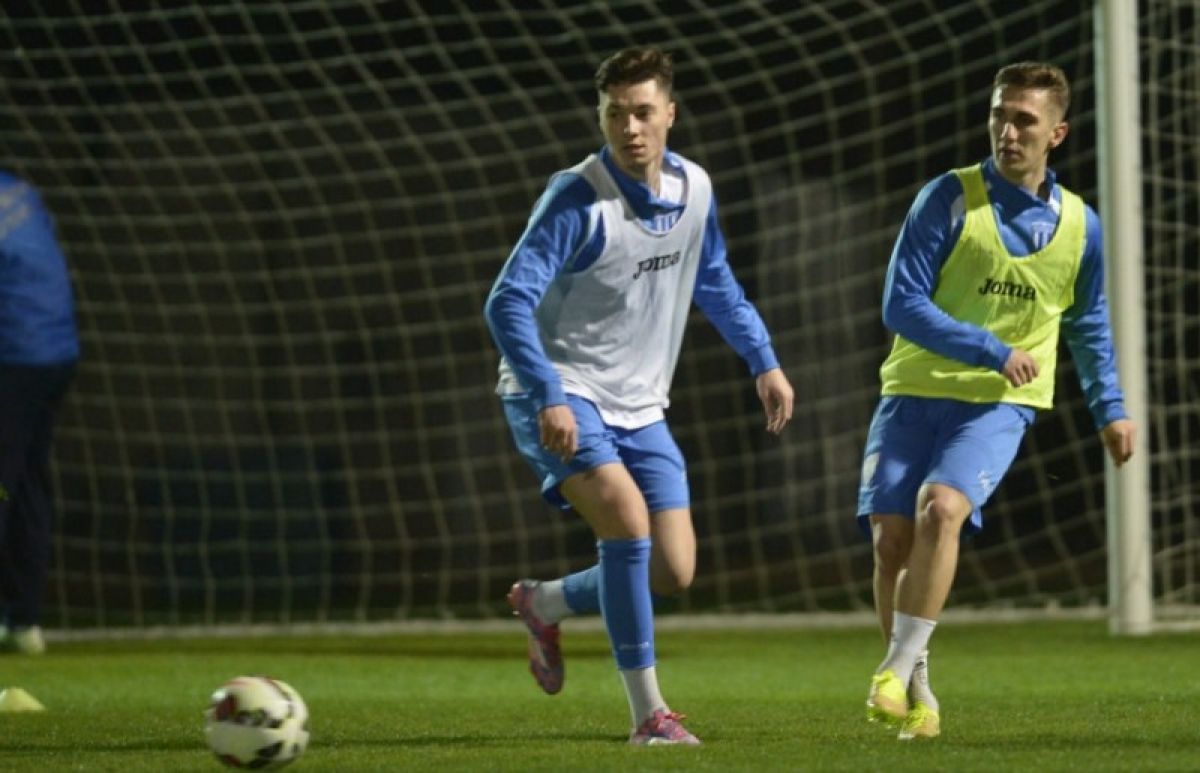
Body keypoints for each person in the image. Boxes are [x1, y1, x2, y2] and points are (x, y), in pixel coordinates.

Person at [484, 47, 793, 745]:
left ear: (670, 114)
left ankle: (546, 602)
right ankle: (649, 716)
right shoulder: (578, 198)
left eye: (643, 112)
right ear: (601, 116)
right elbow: (506, 301)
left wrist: (764, 360)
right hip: (558, 389)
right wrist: (548, 392)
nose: (629, 127)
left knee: (672, 569)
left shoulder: (696, 188)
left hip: (640, 403)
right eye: (615, 113)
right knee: (625, 522)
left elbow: (715, 280)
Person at [857, 61, 1137, 741]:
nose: (1008, 132)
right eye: (999, 117)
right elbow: (901, 303)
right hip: (912, 391)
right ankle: (918, 689)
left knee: (942, 508)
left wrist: (1110, 407)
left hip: (996, 405)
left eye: (1024, 121)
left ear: (1057, 134)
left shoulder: (1081, 227)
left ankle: (892, 669)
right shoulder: (948, 198)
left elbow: (1088, 323)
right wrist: (991, 347)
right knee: (891, 542)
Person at [0, 171, 80, 656]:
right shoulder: (18, 190)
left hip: (12, 356)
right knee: (26, 481)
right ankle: (24, 619)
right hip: (55, 353)